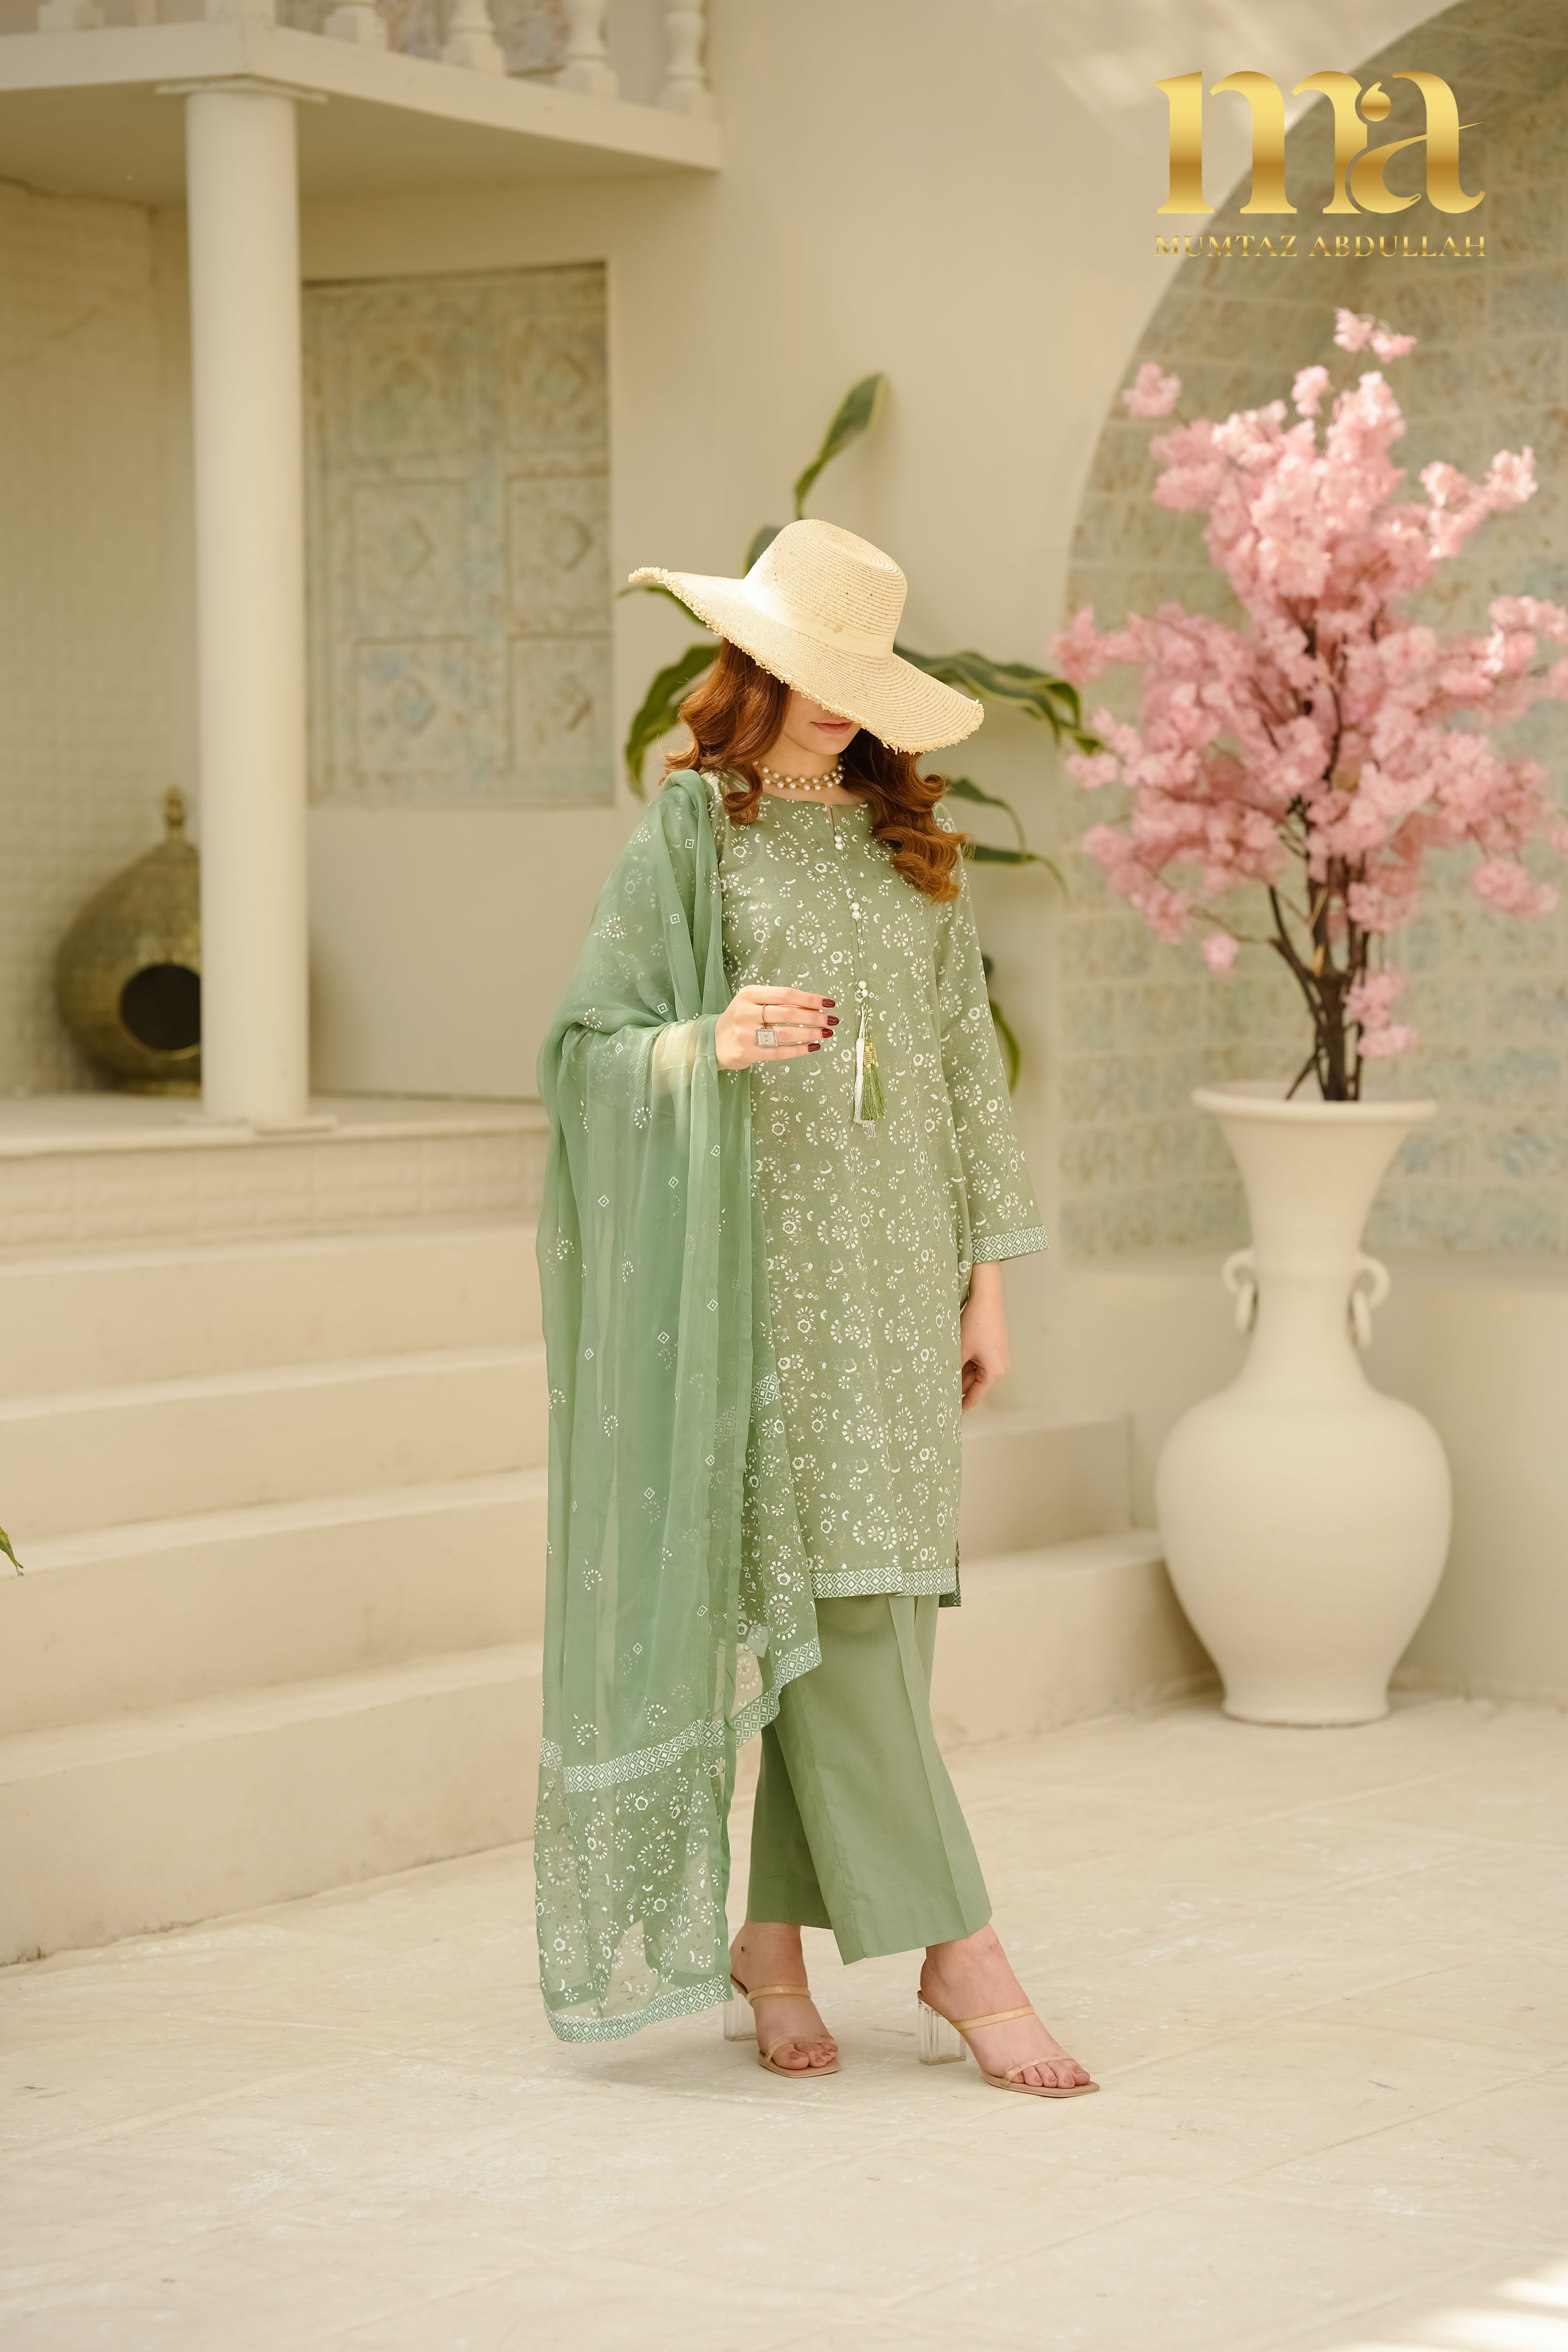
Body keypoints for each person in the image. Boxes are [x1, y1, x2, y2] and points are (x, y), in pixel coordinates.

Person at [534, 519, 1094, 2099]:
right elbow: (585, 1047)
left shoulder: (916, 851)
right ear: (759, 661)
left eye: (866, 680)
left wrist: (988, 1276)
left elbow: (962, 1073)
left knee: (875, 1616)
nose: (844, 706)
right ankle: (959, 1948)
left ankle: (770, 1942)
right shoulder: (690, 834)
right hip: (759, 1284)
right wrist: (708, 1040)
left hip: (902, 1273)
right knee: (836, 1608)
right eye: (820, 672)